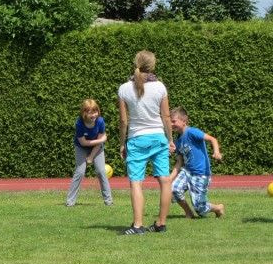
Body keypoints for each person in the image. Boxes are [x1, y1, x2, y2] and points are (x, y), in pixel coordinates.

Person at [118, 50, 175, 235]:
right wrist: (170, 139)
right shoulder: (160, 87)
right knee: (165, 180)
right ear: (153, 65)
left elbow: (123, 121)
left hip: (137, 139)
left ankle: (138, 226)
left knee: (136, 182)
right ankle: (161, 224)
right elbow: (166, 116)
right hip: (158, 138)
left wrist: (122, 143)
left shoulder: (124, 88)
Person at [170, 107, 224, 218]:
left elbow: (212, 139)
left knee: (200, 209)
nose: (171, 124)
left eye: (174, 121)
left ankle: (218, 208)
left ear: (184, 121)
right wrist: (169, 179)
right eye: (170, 122)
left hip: (200, 174)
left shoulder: (192, 132)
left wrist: (216, 152)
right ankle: (189, 213)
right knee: (174, 189)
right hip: (187, 171)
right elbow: (179, 162)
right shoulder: (178, 140)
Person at [65, 99, 113, 207]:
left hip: (97, 148)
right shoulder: (79, 123)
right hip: (81, 147)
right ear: (84, 113)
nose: (93, 115)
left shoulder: (100, 121)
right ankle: (70, 202)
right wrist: (102, 140)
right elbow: (83, 142)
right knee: (80, 172)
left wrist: (91, 157)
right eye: (90, 112)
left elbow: (99, 144)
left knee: (101, 171)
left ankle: (109, 201)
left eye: (95, 111)